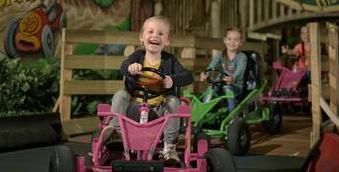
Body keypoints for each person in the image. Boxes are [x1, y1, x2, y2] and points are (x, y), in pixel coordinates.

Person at [101, 15, 193, 165]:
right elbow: (123, 67)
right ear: (142, 38)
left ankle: (169, 147)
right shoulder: (137, 56)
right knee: (120, 95)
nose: (155, 36)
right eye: (150, 32)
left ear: (167, 41)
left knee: (174, 101)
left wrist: (172, 80)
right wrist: (130, 68)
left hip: (158, 113)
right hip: (134, 109)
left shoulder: (170, 60)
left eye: (161, 34)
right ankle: (115, 130)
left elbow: (188, 76)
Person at [200, 28, 247, 112]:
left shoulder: (242, 57)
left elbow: (240, 71)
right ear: (224, 40)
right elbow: (212, 65)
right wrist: (206, 73)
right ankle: (204, 111)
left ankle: (232, 113)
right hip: (221, 83)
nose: (232, 42)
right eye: (229, 39)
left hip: (236, 86)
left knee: (227, 87)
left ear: (240, 43)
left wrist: (233, 78)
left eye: (236, 40)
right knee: (211, 87)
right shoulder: (220, 54)